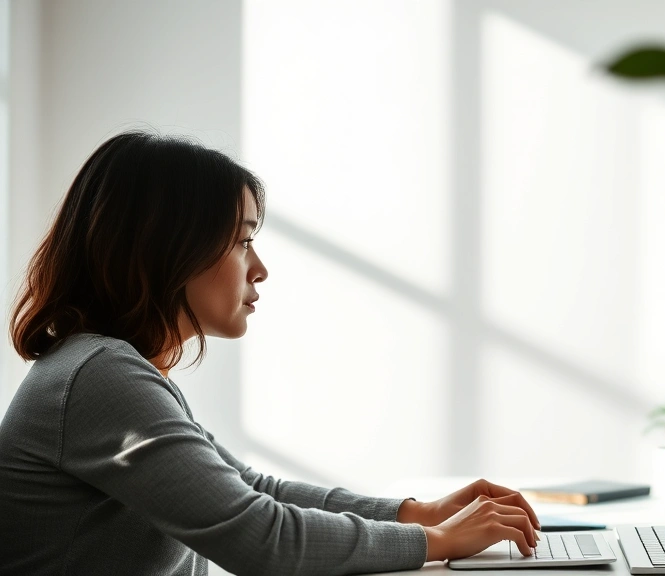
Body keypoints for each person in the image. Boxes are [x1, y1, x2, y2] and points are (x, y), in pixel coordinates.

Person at [0, 131, 541, 575]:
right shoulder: (99, 377)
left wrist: (415, 514)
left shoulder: (102, 369)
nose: (259, 268)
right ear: (165, 248)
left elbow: (250, 489)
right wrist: (436, 540)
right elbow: (261, 537)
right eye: (242, 240)